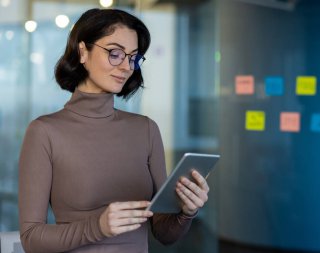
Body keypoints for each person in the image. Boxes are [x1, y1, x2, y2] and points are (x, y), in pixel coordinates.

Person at [18, 8, 210, 253]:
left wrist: (187, 211)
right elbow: (31, 238)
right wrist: (97, 227)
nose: (126, 67)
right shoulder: (44, 132)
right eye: (115, 53)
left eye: (133, 57)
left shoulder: (146, 129)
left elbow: (164, 233)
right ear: (83, 51)